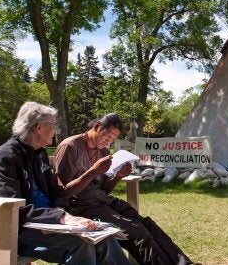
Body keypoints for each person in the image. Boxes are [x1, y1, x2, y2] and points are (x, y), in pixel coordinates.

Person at [0, 102, 131, 265]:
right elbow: (13, 209)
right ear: (39, 128)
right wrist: (60, 217)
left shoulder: (39, 155)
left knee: (105, 238)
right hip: (15, 232)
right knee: (83, 244)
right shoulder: (5, 159)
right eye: (53, 125)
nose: (55, 130)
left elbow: (56, 192)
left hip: (47, 225)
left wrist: (63, 212)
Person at [52, 113, 194, 265]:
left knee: (148, 224)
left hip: (103, 201)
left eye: (113, 138)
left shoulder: (103, 151)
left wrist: (118, 176)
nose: (109, 140)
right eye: (107, 135)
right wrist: (93, 171)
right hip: (81, 207)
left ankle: (185, 263)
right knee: (136, 232)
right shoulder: (71, 146)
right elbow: (63, 193)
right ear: (97, 126)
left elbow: (104, 189)